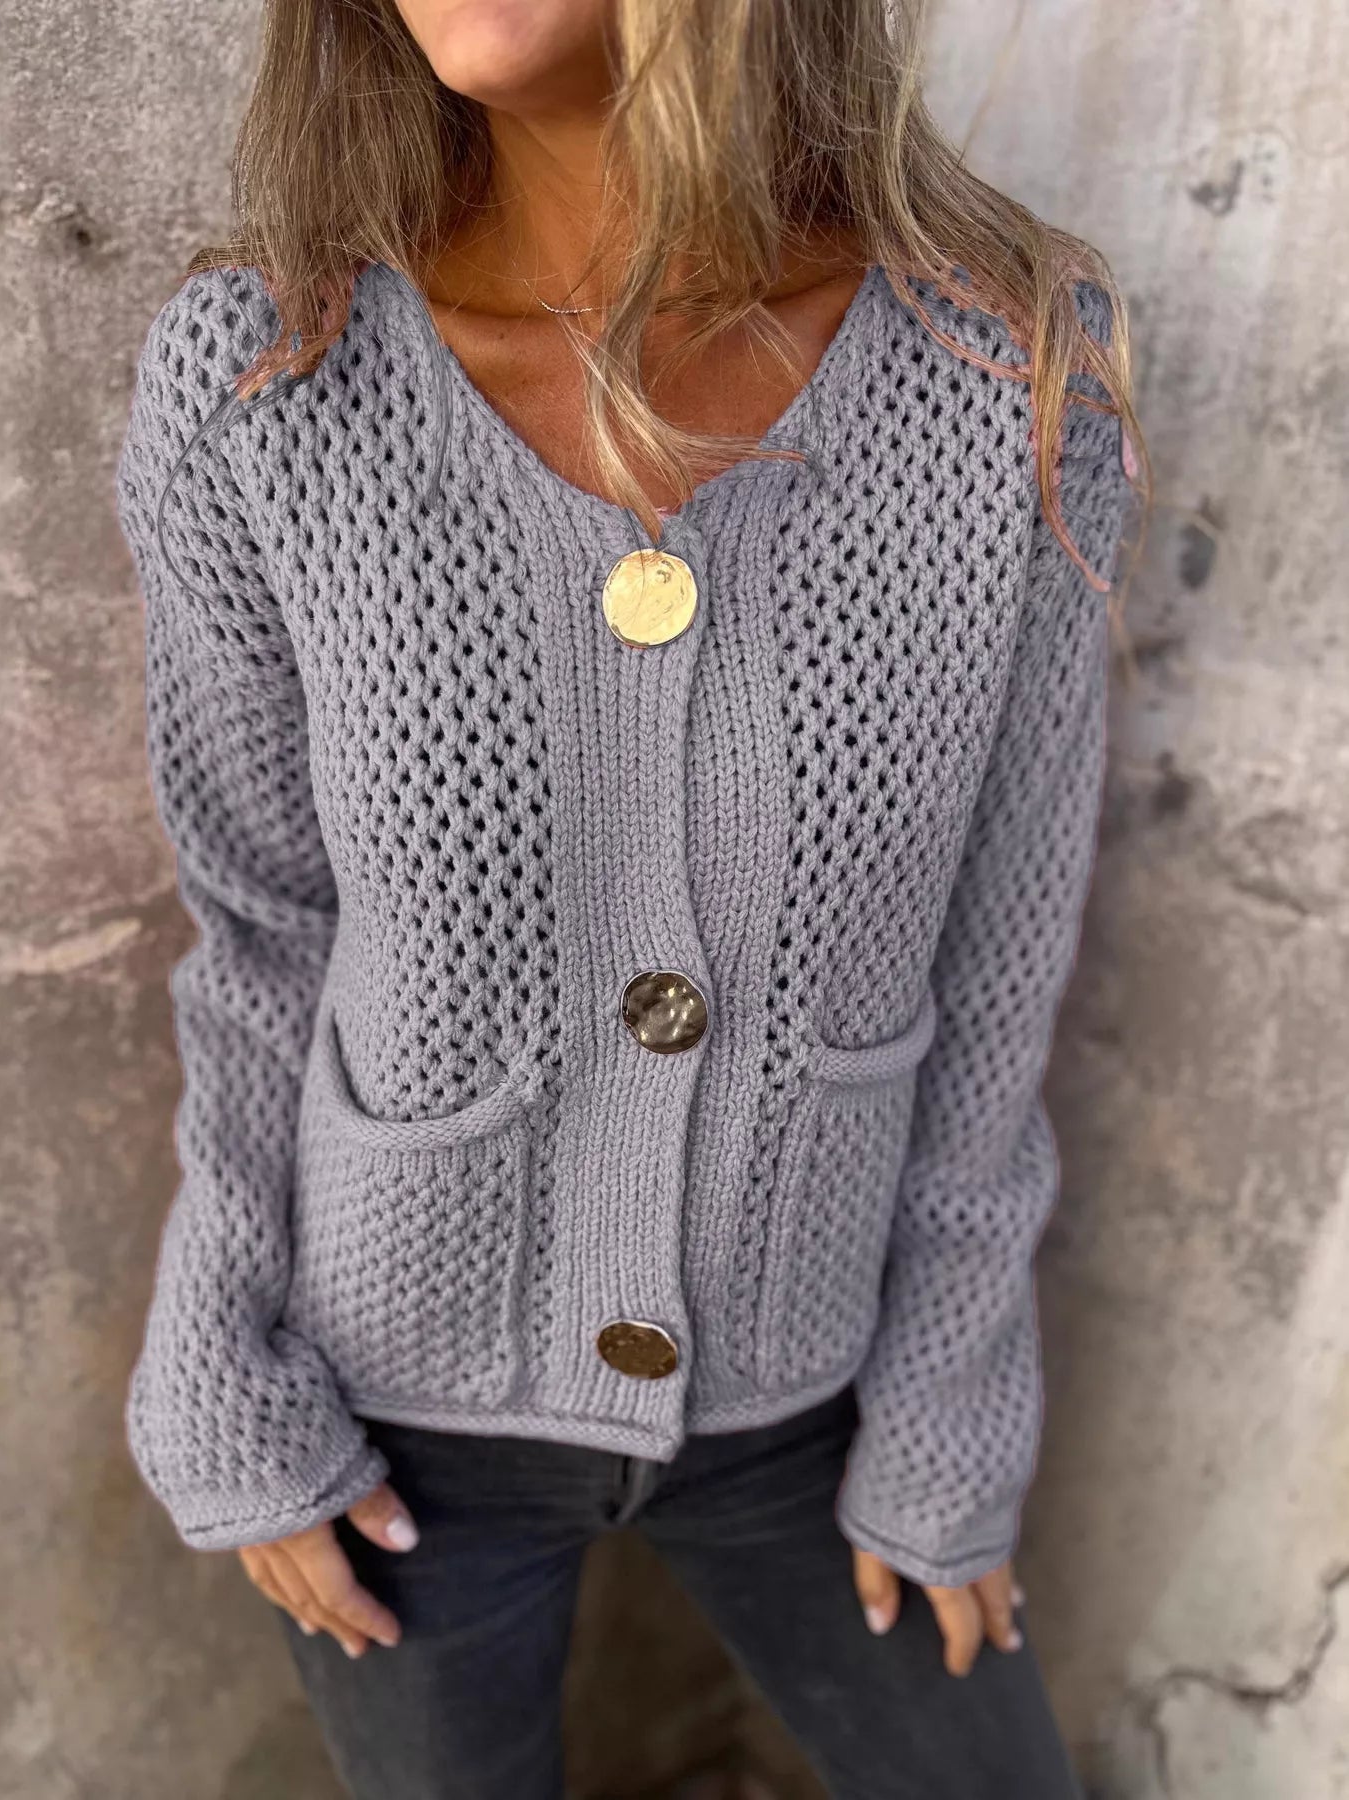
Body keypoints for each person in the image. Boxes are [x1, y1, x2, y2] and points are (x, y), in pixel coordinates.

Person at [113, 1, 1146, 1795]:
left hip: (816, 1386)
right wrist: (220, 1364)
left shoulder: (1009, 363)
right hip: (392, 1416)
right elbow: (262, 930)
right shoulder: (267, 375)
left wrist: (948, 1403)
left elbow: (999, 950)